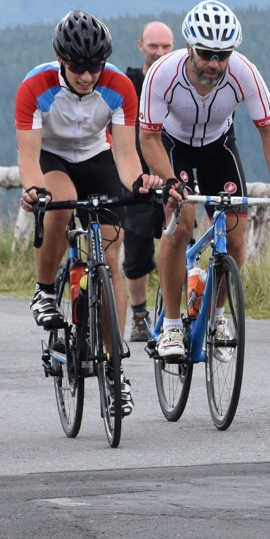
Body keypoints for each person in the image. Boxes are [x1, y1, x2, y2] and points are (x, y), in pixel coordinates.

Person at [17, 10, 164, 416]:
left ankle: (115, 371)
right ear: (61, 60)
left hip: (97, 156)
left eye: (94, 67)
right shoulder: (36, 86)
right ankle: (45, 290)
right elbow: (28, 155)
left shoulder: (118, 86)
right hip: (52, 156)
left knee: (111, 257)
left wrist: (138, 183)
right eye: (78, 68)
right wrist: (34, 190)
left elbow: (126, 154)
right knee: (60, 205)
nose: (86, 76)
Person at [138, 0, 270, 360]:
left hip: (218, 146)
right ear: (189, 47)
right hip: (172, 146)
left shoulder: (244, 72)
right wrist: (169, 183)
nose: (214, 63)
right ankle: (172, 325)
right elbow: (148, 137)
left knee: (236, 236)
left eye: (222, 55)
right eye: (207, 54)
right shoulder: (163, 73)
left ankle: (218, 317)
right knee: (181, 224)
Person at [123, 21, 175, 342]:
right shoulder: (128, 84)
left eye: (166, 47)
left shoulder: (180, 82)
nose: (159, 52)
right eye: (153, 46)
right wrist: (134, 174)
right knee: (137, 250)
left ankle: (173, 313)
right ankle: (140, 315)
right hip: (136, 178)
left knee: (178, 241)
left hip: (174, 175)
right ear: (140, 46)